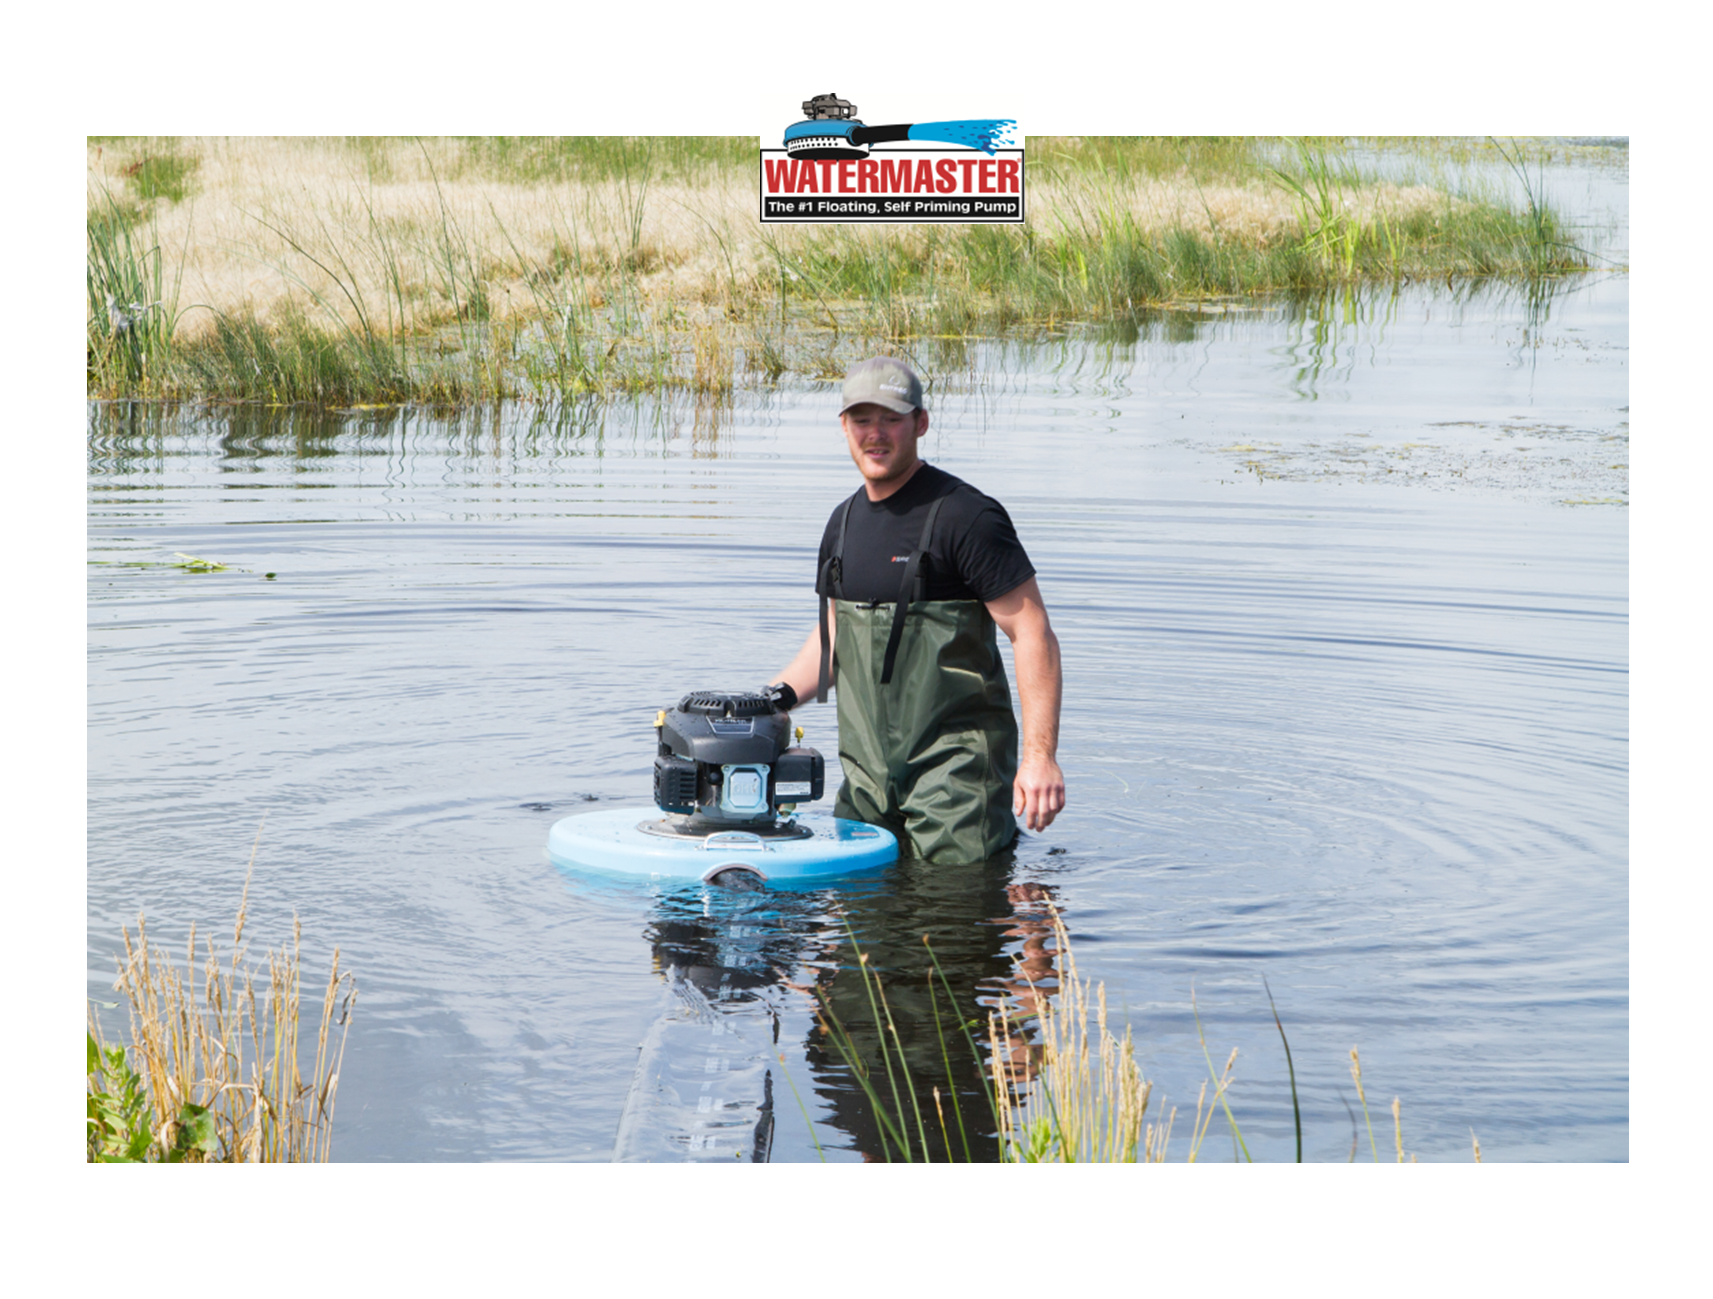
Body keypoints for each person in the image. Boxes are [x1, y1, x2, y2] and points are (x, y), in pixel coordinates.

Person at [767, 357, 1065, 864]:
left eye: (891, 419)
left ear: (921, 423)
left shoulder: (967, 516)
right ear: (844, 427)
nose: (875, 434)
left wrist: (1040, 759)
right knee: (859, 907)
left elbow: (1032, 632)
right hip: (866, 782)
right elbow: (835, 637)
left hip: (957, 780)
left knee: (956, 903)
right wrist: (771, 702)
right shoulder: (841, 524)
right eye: (862, 419)